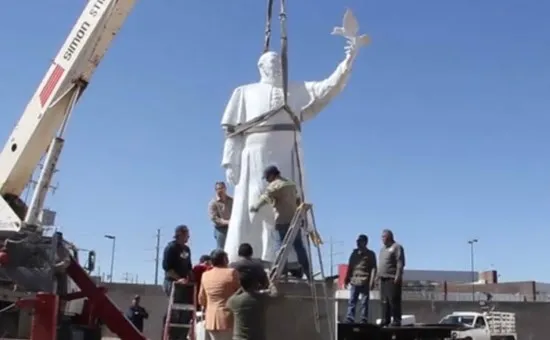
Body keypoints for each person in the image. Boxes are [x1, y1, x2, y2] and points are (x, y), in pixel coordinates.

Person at [220, 30, 367, 265]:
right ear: (261, 67)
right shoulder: (244, 92)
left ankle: (285, 260)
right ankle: (245, 257)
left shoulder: (296, 89)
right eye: (271, 63)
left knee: (286, 208)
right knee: (252, 206)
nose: (276, 66)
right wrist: (230, 161)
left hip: (287, 155)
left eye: (279, 62)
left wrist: (348, 61)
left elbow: (328, 88)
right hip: (253, 153)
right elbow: (231, 131)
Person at [250, 165, 310, 280]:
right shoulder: (291, 184)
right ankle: (308, 271)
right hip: (295, 219)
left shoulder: (273, 186)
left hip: (281, 221)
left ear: (272, 175)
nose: (267, 180)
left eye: (267, 177)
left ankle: (282, 272)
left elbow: (265, 198)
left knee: (280, 246)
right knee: (299, 246)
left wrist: (255, 207)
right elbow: (298, 200)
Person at [199, 249, 240, 340]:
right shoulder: (232, 273)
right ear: (225, 259)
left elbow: (201, 299)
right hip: (228, 319)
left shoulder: (205, 275)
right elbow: (240, 293)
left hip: (210, 320)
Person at [162, 225, 194, 339]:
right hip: (172, 283)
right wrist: (178, 279)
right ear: (180, 234)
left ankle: (181, 337)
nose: (188, 237)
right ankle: (170, 336)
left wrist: (192, 279)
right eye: (186, 234)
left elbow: (189, 267)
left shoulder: (186, 249)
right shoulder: (171, 248)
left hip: (184, 284)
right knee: (174, 312)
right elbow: (167, 268)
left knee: (184, 313)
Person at [227, 269, 277, 340]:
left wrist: (242, 288)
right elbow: (275, 295)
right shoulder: (262, 298)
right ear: (255, 284)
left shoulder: (235, 301)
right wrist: (270, 282)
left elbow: (229, 302)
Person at [344, 234, 377, 324]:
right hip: (354, 280)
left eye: (360, 241)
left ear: (365, 242)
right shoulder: (354, 254)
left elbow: (374, 268)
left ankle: (363, 318)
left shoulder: (370, 254)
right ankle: (350, 318)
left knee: (364, 302)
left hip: (365, 280)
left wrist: (372, 281)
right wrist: (346, 279)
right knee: (352, 301)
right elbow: (350, 266)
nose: (358, 243)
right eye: (357, 241)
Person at [378, 229, 405, 326]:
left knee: (393, 300)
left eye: (384, 237)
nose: (382, 239)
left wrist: (398, 275)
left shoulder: (397, 247)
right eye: (382, 237)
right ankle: (385, 319)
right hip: (382, 278)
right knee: (384, 301)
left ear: (389, 237)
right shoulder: (382, 249)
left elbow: (400, 262)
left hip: (392, 278)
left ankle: (397, 320)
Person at [209, 181, 234, 249]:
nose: (220, 190)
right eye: (217, 189)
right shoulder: (213, 203)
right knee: (221, 249)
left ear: (225, 188)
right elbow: (214, 218)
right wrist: (227, 222)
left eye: (221, 188)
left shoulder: (232, 200)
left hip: (232, 227)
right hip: (220, 229)